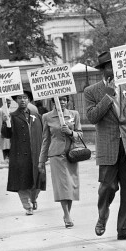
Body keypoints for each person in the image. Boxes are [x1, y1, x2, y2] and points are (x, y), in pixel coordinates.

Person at [84, 50, 126, 240]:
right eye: (109, 67)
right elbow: (92, 117)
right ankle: (103, 213)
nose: (114, 70)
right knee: (107, 186)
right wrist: (108, 96)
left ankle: (125, 228)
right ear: (103, 70)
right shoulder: (91, 92)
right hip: (107, 146)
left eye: (116, 66)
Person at [38, 95, 82, 228]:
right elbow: (46, 139)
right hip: (56, 155)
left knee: (71, 185)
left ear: (67, 102)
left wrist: (70, 132)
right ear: (53, 102)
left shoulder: (74, 114)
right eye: (60, 100)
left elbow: (80, 134)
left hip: (72, 155)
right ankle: (67, 215)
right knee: (62, 186)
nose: (62, 102)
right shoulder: (46, 117)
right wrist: (41, 160)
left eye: (65, 100)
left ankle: (67, 212)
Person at [1, 91, 45, 214]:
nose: (22, 100)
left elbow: (43, 134)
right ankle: (27, 206)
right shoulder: (12, 116)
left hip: (35, 153)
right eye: (19, 98)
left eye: (25, 98)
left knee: (37, 180)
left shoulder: (36, 115)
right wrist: (6, 123)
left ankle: (33, 198)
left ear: (29, 100)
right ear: (16, 100)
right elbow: (6, 135)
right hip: (19, 153)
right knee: (22, 181)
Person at [0, 99, 12, 163]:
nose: (9, 105)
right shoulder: (0, 110)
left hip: (9, 129)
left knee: (9, 145)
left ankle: (10, 158)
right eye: (7, 103)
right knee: (4, 145)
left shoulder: (9, 110)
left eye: (9, 103)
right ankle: (5, 157)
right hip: (3, 129)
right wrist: (0, 132)